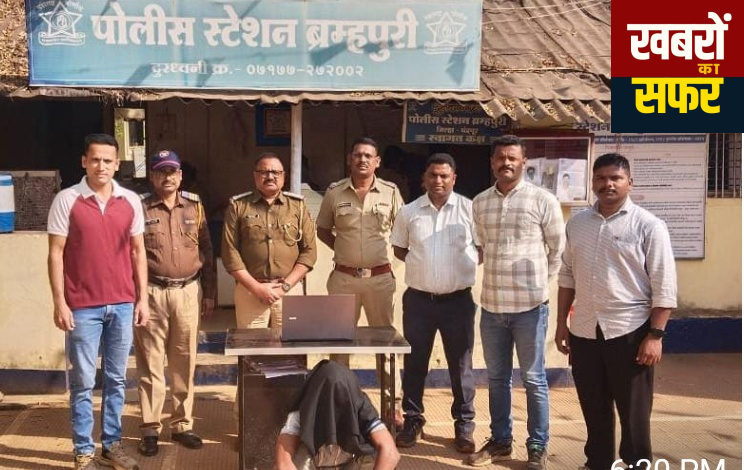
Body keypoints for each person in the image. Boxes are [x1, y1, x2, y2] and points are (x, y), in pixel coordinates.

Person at [555, 153, 677, 470]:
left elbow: (664, 285)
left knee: (634, 414)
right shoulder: (578, 224)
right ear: (592, 182)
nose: (607, 184)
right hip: (584, 331)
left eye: (615, 178)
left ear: (629, 183)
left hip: (630, 333)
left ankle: (637, 464)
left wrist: (655, 336)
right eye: (601, 178)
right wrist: (561, 324)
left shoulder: (649, 226)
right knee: (593, 407)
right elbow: (567, 275)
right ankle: (597, 463)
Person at [47, 133, 149, 470]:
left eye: (107, 160)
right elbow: (56, 253)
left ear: (117, 164)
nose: (101, 166)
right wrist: (60, 302)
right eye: (95, 160)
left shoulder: (130, 200)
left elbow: (138, 252)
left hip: (122, 303)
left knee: (117, 380)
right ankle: (83, 452)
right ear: (84, 162)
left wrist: (142, 299)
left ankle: (111, 445)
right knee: (83, 383)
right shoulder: (67, 200)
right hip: (82, 307)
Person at [469, 135, 565, 470]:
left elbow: (558, 250)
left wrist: (539, 286)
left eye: (512, 158)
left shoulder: (543, 200)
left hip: (530, 309)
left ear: (524, 162)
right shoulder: (480, 202)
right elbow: (483, 246)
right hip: (492, 307)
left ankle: (537, 445)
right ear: (492, 162)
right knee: (497, 379)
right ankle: (501, 441)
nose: (506, 163)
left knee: (534, 379)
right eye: (500, 158)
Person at [389, 153, 479, 453]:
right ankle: (413, 420)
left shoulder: (470, 210)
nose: (438, 181)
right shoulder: (409, 212)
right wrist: (426, 268)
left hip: (458, 302)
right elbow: (400, 249)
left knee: (461, 366)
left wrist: (455, 270)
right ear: (424, 178)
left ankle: (464, 425)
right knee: (415, 363)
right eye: (433, 175)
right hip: (419, 302)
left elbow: (481, 248)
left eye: (444, 176)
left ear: (454, 178)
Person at [316, 137, 405, 429]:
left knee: (386, 344)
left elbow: (402, 229)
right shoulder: (334, 192)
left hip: (380, 279)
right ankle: (340, 405)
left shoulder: (391, 192)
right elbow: (323, 229)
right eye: (357, 155)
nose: (362, 160)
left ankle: (392, 405)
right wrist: (346, 253)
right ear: (349, 159)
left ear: (377, 161)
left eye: (368, 156)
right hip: (343, 279)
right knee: (339, 343)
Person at [134, 150, 217, 457]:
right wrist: (137, 296)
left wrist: (210, 293)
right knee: (151, 363)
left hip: (188, 292)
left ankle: (182, 424)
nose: (167, 177)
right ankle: (150, 428)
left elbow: (207, 250)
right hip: (152, 293)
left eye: (172, 172)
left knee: (184, 361)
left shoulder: (195, 207)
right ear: (152, 176)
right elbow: (131, 254)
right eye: (161, 172)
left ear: (180, 176)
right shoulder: (140, 208)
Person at [222, 152, 317, 329]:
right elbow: (230, 253)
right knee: (252, 344)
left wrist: (285, 287)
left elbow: (309, 252)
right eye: (264, 172)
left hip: (289, 289)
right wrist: (256, 288)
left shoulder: (298, 207)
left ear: (284, 176)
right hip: (250, 291)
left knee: (290, 344)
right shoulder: (238, 206)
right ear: (255, 175)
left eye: (276, 172)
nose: (270, 176)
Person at [273, 360, 400, 470]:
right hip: (314, 463)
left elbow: (390, 453)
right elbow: (283, 461)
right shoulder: (306, 408)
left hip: (351, 462)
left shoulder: (361, 406)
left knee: (374, 457)